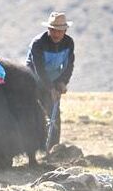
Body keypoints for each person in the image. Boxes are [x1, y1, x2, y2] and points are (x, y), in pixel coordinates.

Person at [25, 12, 75, 150]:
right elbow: (39, 69)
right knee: (35, 114)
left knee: (54, 115)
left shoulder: (69, 43)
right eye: (53, 30)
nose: (56, 34)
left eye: (59, 31)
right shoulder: (38, 44)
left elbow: (69, 65)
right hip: (34, 80)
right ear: (48, 29)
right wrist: (50, 88)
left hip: (53, 79)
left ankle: (53, 149)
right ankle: (32, 149)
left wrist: (63, 82)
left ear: (65, 31)